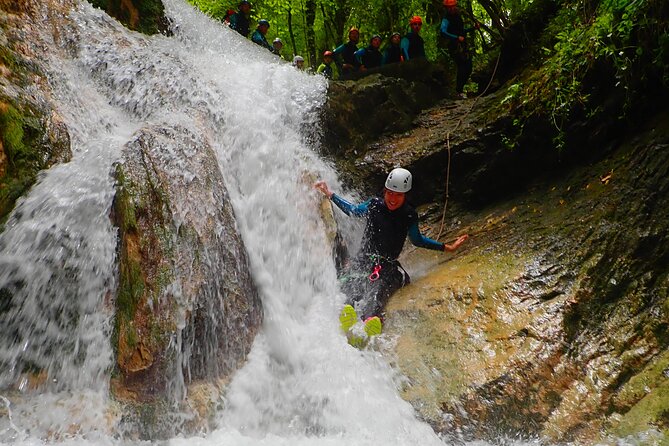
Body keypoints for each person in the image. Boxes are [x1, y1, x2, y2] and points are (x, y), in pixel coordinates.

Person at [314, 168, 468, 324]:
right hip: (363, 260)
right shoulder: (374, 205)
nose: (393, 198)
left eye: (398, 195)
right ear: (385, 191)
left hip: (386, 265)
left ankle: (370, 322)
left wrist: (446, 247)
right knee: (350, 287)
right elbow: (353, 211)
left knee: (377, 291)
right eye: (390, 193)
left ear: (405, 196)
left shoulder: (409, 215)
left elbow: (417, 240)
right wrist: (330, 194)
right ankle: (346, 321)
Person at [440, 0, 479, 98]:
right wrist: (456, 37)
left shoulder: (458, 16)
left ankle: (460, 89)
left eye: (453, 6)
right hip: (454, 46)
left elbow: (462, 31)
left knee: (469, 67)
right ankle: (459, 91)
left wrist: (473, 28)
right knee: (462, 66)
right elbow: (443, 31)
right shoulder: (446, 19)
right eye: (449, 7)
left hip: (463, 45)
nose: (451, 8)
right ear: (446, 8)